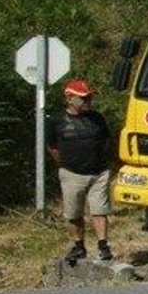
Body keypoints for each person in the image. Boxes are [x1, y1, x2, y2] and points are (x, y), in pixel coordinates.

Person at [49, 78, 114, 264]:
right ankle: (79, 246)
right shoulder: (57, 121)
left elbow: (107, 141)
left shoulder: (97, 118)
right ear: (69, 98)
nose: (88, 102)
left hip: (98, 172)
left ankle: (103, 245)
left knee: (99, 210)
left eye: (89, 98)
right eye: (83, 98)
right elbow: (52, 146)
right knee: (73, 213)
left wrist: (104, 162)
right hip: (71, 173)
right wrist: (65, 164)